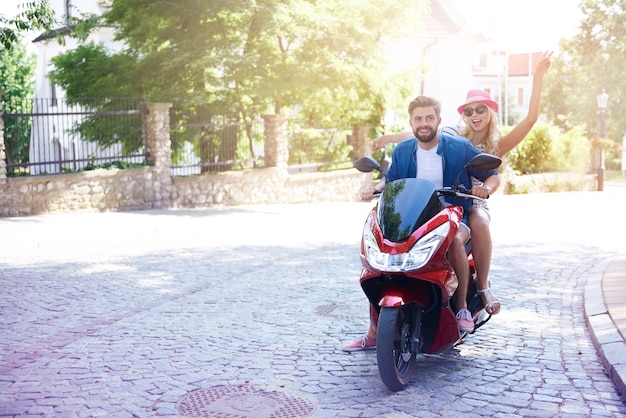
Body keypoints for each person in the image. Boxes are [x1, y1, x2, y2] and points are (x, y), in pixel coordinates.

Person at [368, 51, 552, 319]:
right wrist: (388, 138)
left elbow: (530, 120)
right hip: (442, 197)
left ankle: (483, 286)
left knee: (478, 222)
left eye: (480, 109)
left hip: (474, 197)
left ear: (489, 112)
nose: (475, 114)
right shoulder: (455, 135)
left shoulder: (496, 145)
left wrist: (537, 78)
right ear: (464, 115)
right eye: (469, 110)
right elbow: (421, 133)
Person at [344, 95, 500, 351]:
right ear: (411, 122)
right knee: (384, 256)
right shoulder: (403, 150)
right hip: (415, 215)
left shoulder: (458, 147)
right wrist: (375, 187)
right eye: (418, 119)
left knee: (455, 242)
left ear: (438, 120)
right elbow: (392, 179)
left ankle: (460, 307)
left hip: (452, 211)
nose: (424, 123)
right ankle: (374, 332)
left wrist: (486, 189)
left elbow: (492, 175)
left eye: (429, 118)